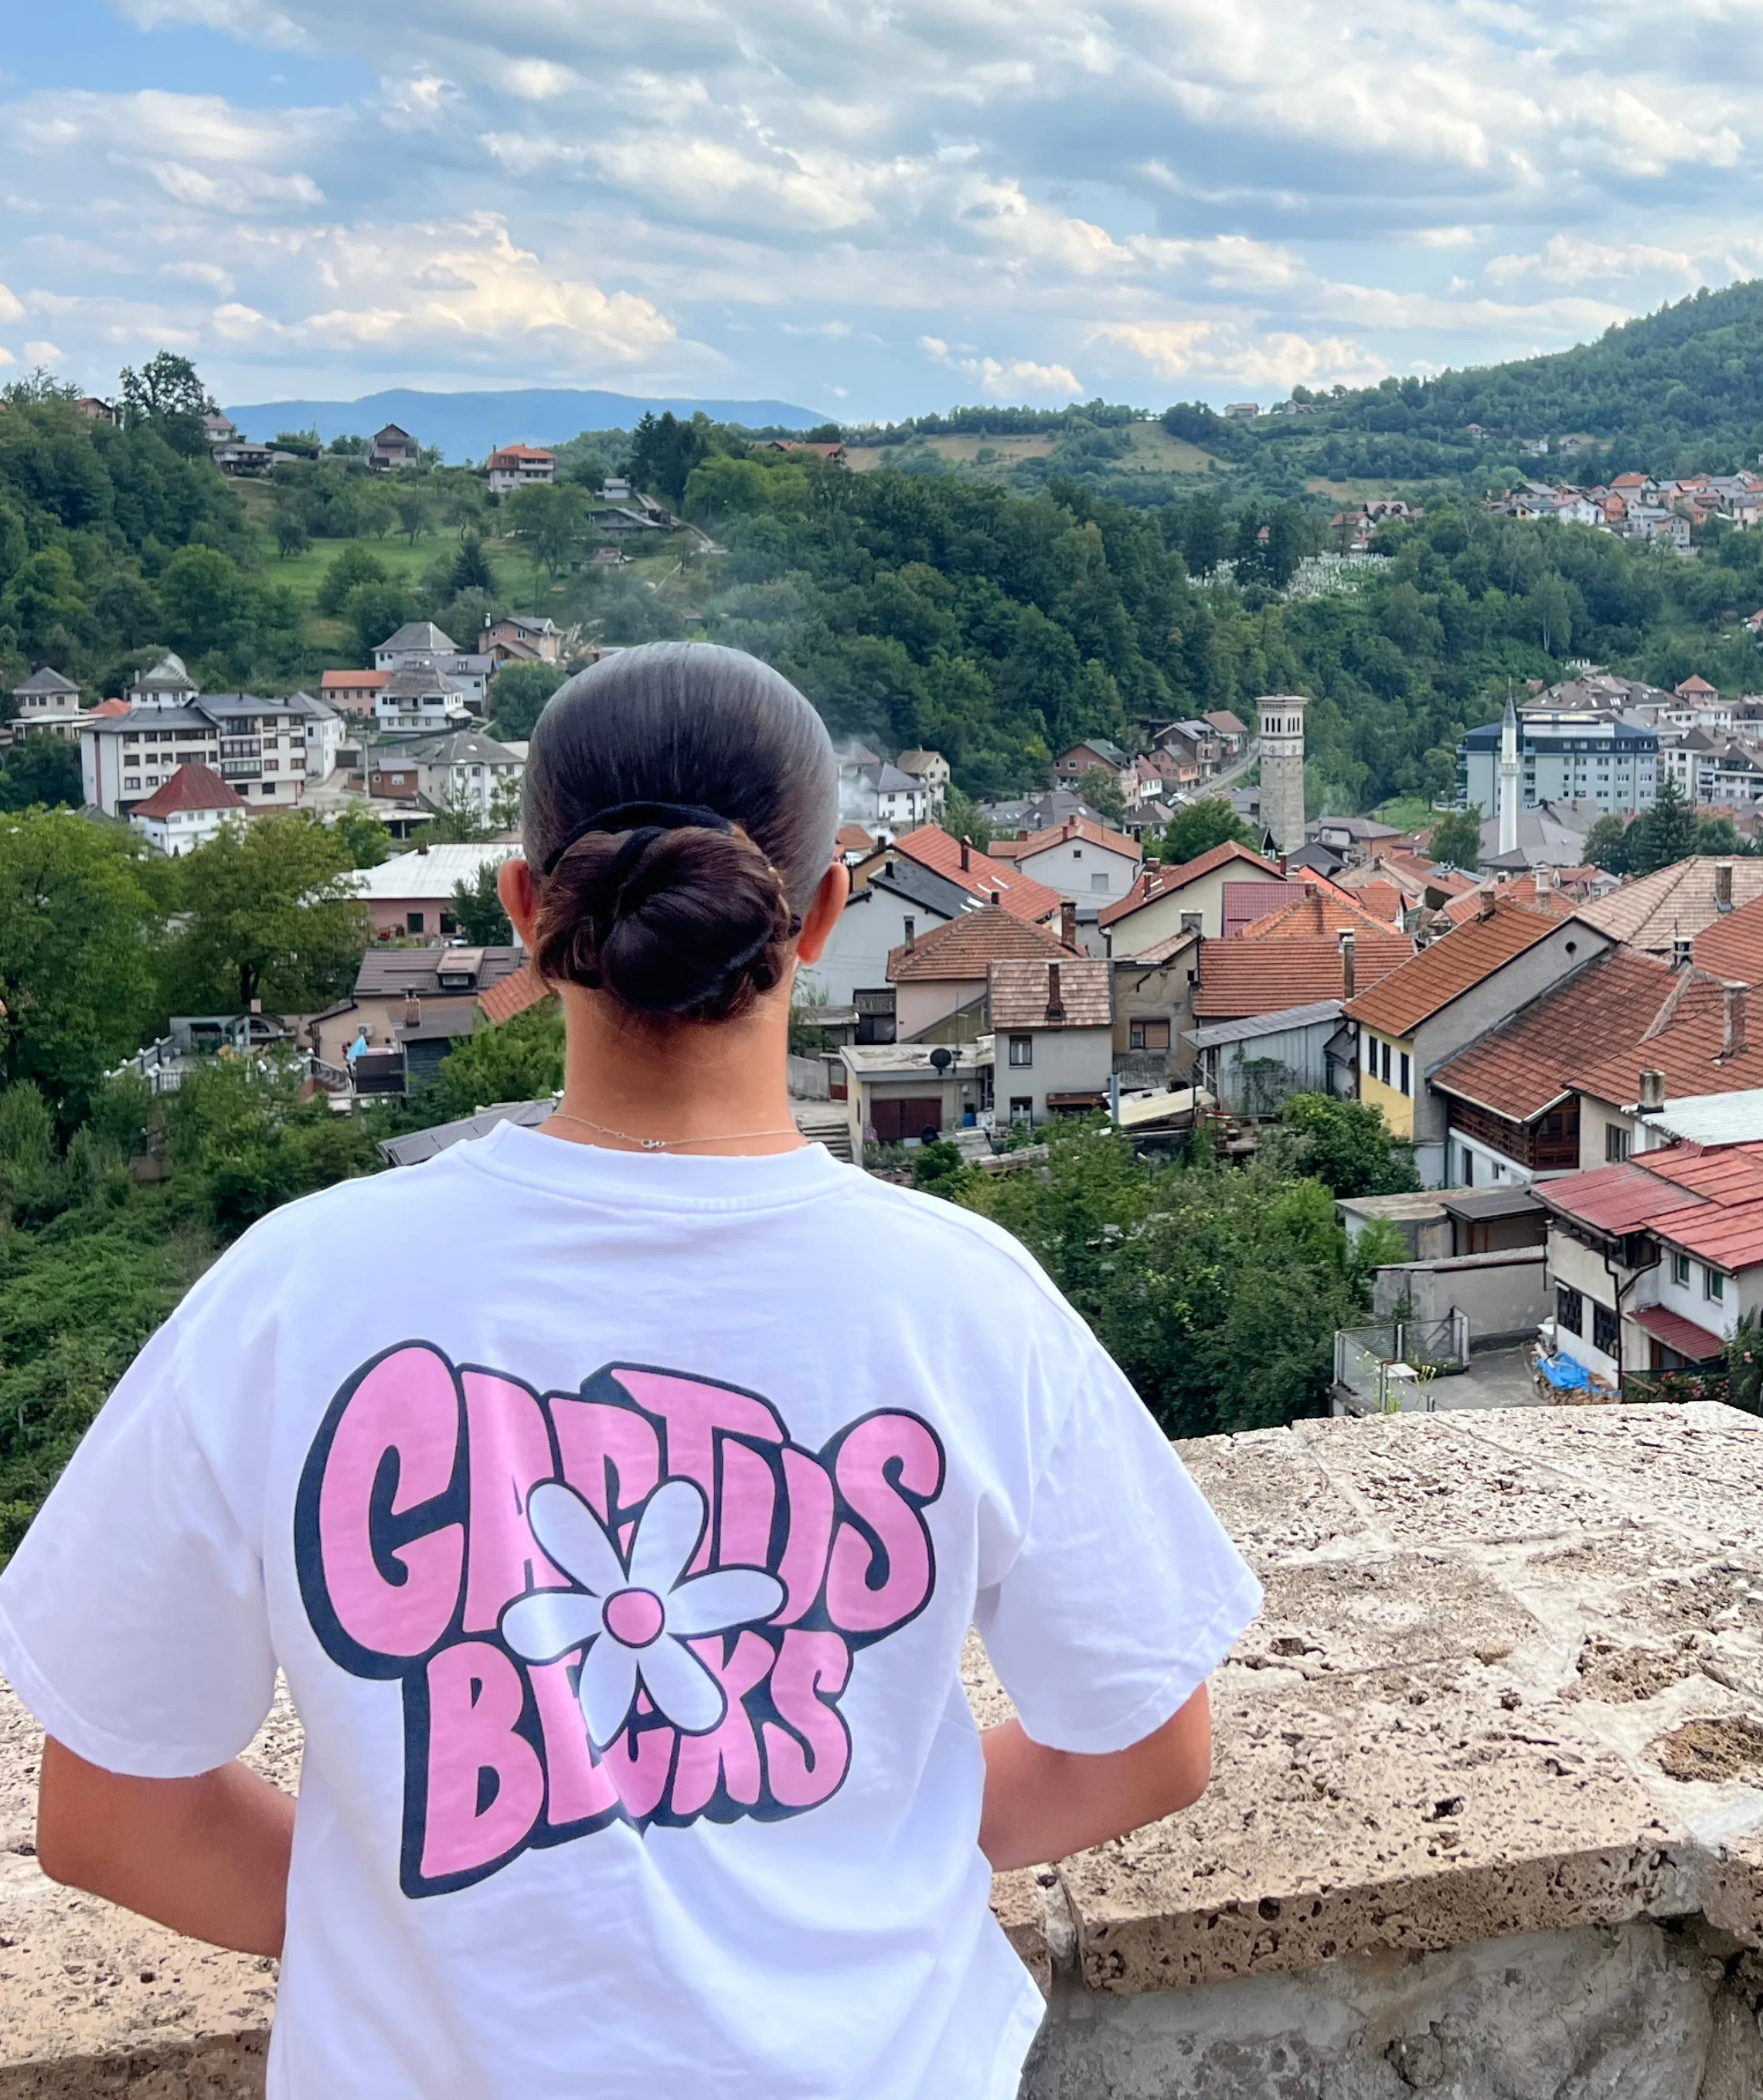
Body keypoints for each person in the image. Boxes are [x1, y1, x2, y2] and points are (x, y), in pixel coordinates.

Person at [0, 643, 1258, 2095]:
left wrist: (441, 1940)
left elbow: (111, 1814)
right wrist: (850, 1845)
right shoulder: (961, 1301)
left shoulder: (295, 1290)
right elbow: (1147, 1749)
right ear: (824, 913)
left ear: (528, 910)